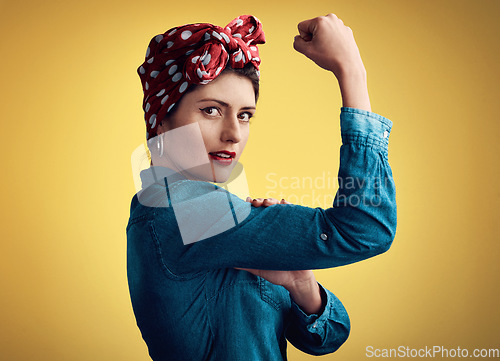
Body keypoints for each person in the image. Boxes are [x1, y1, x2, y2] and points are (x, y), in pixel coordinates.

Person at [127, 13, 397, 361]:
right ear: (161, 122)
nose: (234, 133)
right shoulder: (179, 211)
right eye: (211, 110)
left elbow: (327, 337)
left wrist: (300, 283)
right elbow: (367, 228)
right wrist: (352, 72)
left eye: (245, 115)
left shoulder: (219, 217)